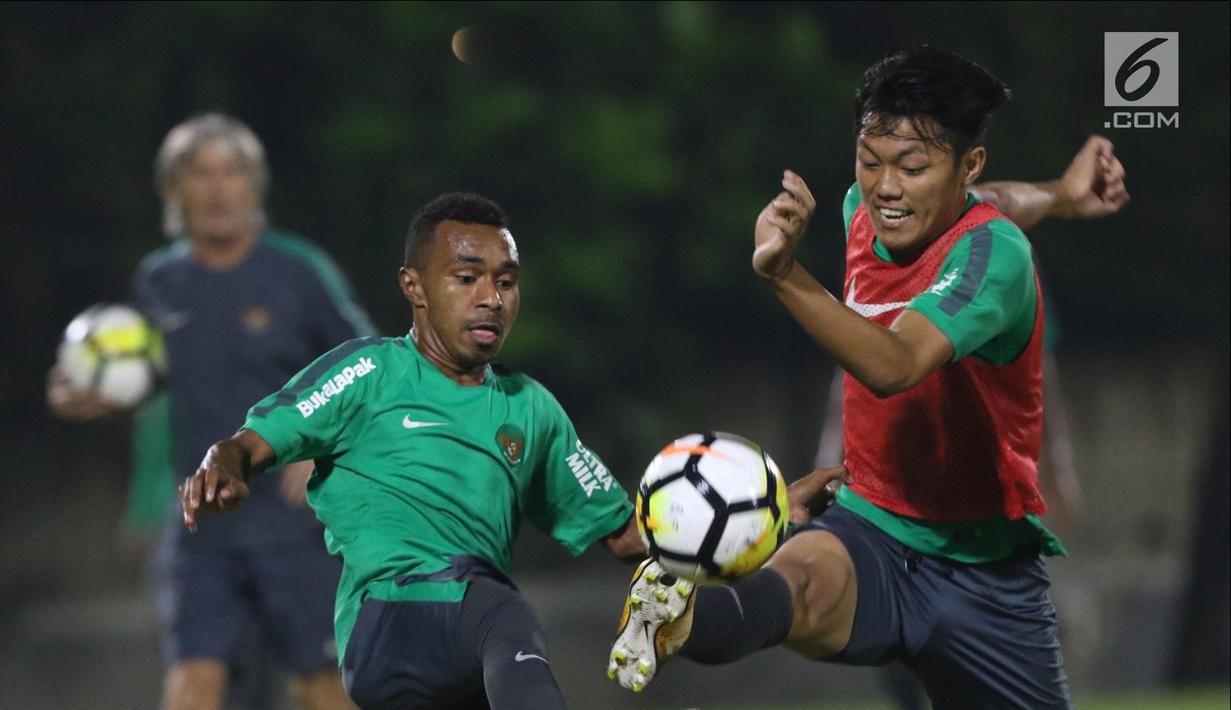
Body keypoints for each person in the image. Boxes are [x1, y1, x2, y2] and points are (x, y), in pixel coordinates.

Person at [608, 46, 1128, 709]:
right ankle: (673, 611)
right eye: (870, 160)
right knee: (794, 589)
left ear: (966, 166)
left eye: (911, 168)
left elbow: (896, 365)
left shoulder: (993, 255)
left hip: (986, 575)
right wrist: (1061, 193)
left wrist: (782, 274)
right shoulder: (864, 210)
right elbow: (1005, 196)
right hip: (873, 531)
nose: (885, 187)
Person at [178, 192, 648, 710]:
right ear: (414, 287)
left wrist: (731, 550)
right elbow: (249, 444)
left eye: (506, 281)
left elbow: (624, 535)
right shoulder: (370, 374)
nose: (491, 297)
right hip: (386, 620)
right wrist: (223, 464)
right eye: (467, 279)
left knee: (492, 614)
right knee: (504, 613)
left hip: (465, 650)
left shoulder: (531, 409)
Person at [48, 113, 374, 710]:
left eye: (233, 173)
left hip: (294, 526)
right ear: (175, 189)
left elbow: (370, 372)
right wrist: (90, 397)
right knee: (191, 687)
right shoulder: (161, 280)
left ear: (255, 187)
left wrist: (328, 451)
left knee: (323, 688)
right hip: (202, 529)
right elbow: (147, 389)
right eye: (201, 174)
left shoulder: (299, 271)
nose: (219, 188)